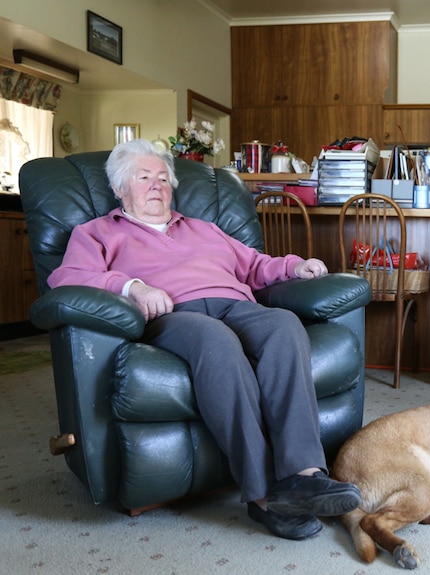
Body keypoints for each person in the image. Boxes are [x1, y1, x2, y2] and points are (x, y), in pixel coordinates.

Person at [47, 139, 361, 540]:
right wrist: (133, 287)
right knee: (216, 341)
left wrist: (295, 266)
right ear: (120, 187)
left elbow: (254, 265)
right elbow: (67, 278)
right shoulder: (98, 233)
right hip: (176, 314)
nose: (156, 185)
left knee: (283, 325)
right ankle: (264, 496)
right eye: (144, 178)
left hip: (236, 303)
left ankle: (304, 476)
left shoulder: (204, 229)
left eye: (163, 177)